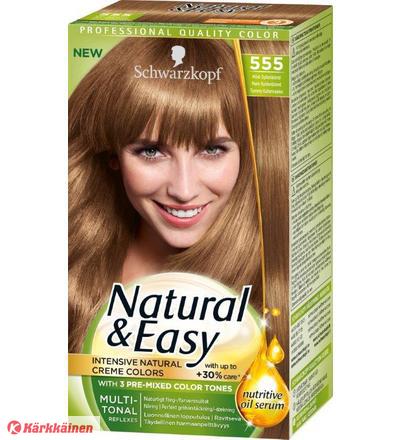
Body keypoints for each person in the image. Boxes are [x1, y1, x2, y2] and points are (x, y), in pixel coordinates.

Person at [68, 38, 261, 353]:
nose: (183, 190)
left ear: (245, 153)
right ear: (113, 155)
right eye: (151, 151)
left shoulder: (269, 288)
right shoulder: (71, 270)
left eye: (212, 149)